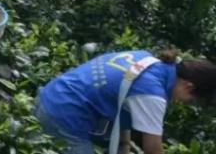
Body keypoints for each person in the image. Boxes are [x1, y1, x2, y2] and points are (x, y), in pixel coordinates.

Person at [36, 49, 216, 154]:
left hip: (49, 95)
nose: (184, 102)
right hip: (61, 117)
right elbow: (153, 149)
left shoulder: (146, 59)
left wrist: (124, 146)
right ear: (189, 87)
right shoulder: (152, 94)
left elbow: (124, 105)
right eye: (192, 100)